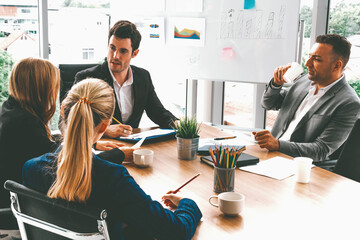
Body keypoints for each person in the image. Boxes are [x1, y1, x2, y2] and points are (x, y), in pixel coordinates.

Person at [22, 78, 202, 239]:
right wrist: (187, 203)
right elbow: (176, 231)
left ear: (63, 110)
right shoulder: (112, 179)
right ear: (105, 126)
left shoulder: (31, 168)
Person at [0, 58, 128, 229]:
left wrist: (94, 144)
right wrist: (121, 154)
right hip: (17, 214)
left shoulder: (10, 111)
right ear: (41, 88)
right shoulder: (25, 125)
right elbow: (67, 163)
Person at [253, 34, 360, 163]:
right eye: (309, 57)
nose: (307, 63)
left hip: (302, 167)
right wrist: (276, 84)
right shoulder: (304, 81)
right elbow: (268, 104)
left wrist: (278, 144)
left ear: (336, 65)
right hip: (271, 155)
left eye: (316, 59)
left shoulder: (349, 103)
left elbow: (321, 150)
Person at [74, 20, 178, 138]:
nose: (115, 56)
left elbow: (157, 112)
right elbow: (70, 121)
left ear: (135, 53)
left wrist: (179, 124)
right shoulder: (87, 78)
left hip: (131, 148)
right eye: (112, 48)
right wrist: (105, 130)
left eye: (123, 51)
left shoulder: (143, 77)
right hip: (98, 148)